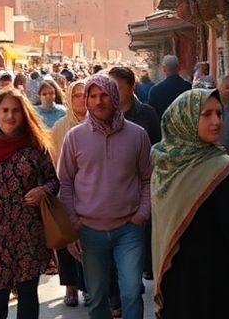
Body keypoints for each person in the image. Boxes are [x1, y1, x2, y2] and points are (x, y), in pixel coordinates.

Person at [151, 89, 229, 318]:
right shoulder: (220, 171)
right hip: (220, 290)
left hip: (181, 292)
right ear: (184, 119)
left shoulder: (165, 165)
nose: (216, 121)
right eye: (206, 114)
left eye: (219, 113)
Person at [59, 73, 152, 319]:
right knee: (97, 295)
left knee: (132, 291)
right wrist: (73, 224)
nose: (98, 101)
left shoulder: (138, 135)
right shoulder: (74, 137)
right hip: (89, 230)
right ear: (86, 101)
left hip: (129, 228)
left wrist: (142, 214)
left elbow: (148, 178)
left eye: (104, 95)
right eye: (93, 96)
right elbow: (65, 183)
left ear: (114, 97)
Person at [0, 90, 59, 319]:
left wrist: (42, 191)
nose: (10, 116)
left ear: (24, 114)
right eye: (4, 110)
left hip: (29, 230)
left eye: (15, 111)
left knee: (27, 292)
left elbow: (53, 181)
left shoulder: (35, 144)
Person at [50, 80, 88, 308]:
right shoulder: (60, 127)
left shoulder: (97, 124)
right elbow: (54, 160)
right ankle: (70, 287)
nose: (81, 99)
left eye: (85, 95)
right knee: (65, 241)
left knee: (88, 241)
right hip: (64, 191)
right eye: (77, 95)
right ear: (69, 98)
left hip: (90, 192)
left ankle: (89, 286)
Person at [108, 66, 161, 145]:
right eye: (109, 87)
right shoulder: (104, 114)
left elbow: (156, 146)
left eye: (117, 88)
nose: (112, 92)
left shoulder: (147, 114)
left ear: (131, 88)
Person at [147, 55, 190, 127]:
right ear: (179, 68)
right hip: (184, 130)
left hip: (163, 130)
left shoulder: (155, 90)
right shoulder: (188, 87)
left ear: (164, 69)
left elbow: (152, 115)